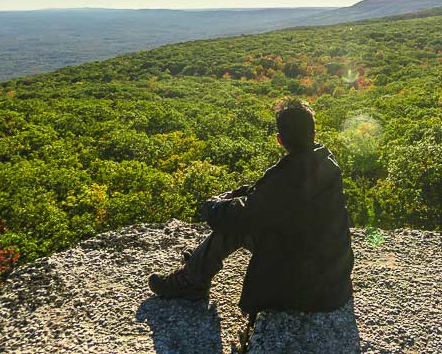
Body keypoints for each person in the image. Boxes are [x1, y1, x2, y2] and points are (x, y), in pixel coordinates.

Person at [148, 98, 354, 316]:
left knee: (232, 227)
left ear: (279, 140)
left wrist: (210, 205)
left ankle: (192, 280)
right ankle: (196, 269)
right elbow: (272, 198)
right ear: (313, 134)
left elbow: (240, 215)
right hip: (334, 283)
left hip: (307, 291)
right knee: (246, 218)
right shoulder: (326, 161)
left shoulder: (286, 180)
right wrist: (243, 193)